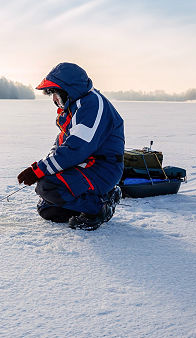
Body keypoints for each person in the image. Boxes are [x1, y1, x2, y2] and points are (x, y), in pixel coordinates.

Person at [17, 62, 125, 230]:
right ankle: (97, 198)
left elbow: (76, 149)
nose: (53, 99)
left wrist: (39, 170)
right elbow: (62, 143)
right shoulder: (75, 107)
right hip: (84, 165)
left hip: (102, 168)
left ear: (68, 90)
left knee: (48, 186)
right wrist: (47, 164)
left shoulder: (91, 106)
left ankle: (100, 206)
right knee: (49, 210)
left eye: (54, 93)